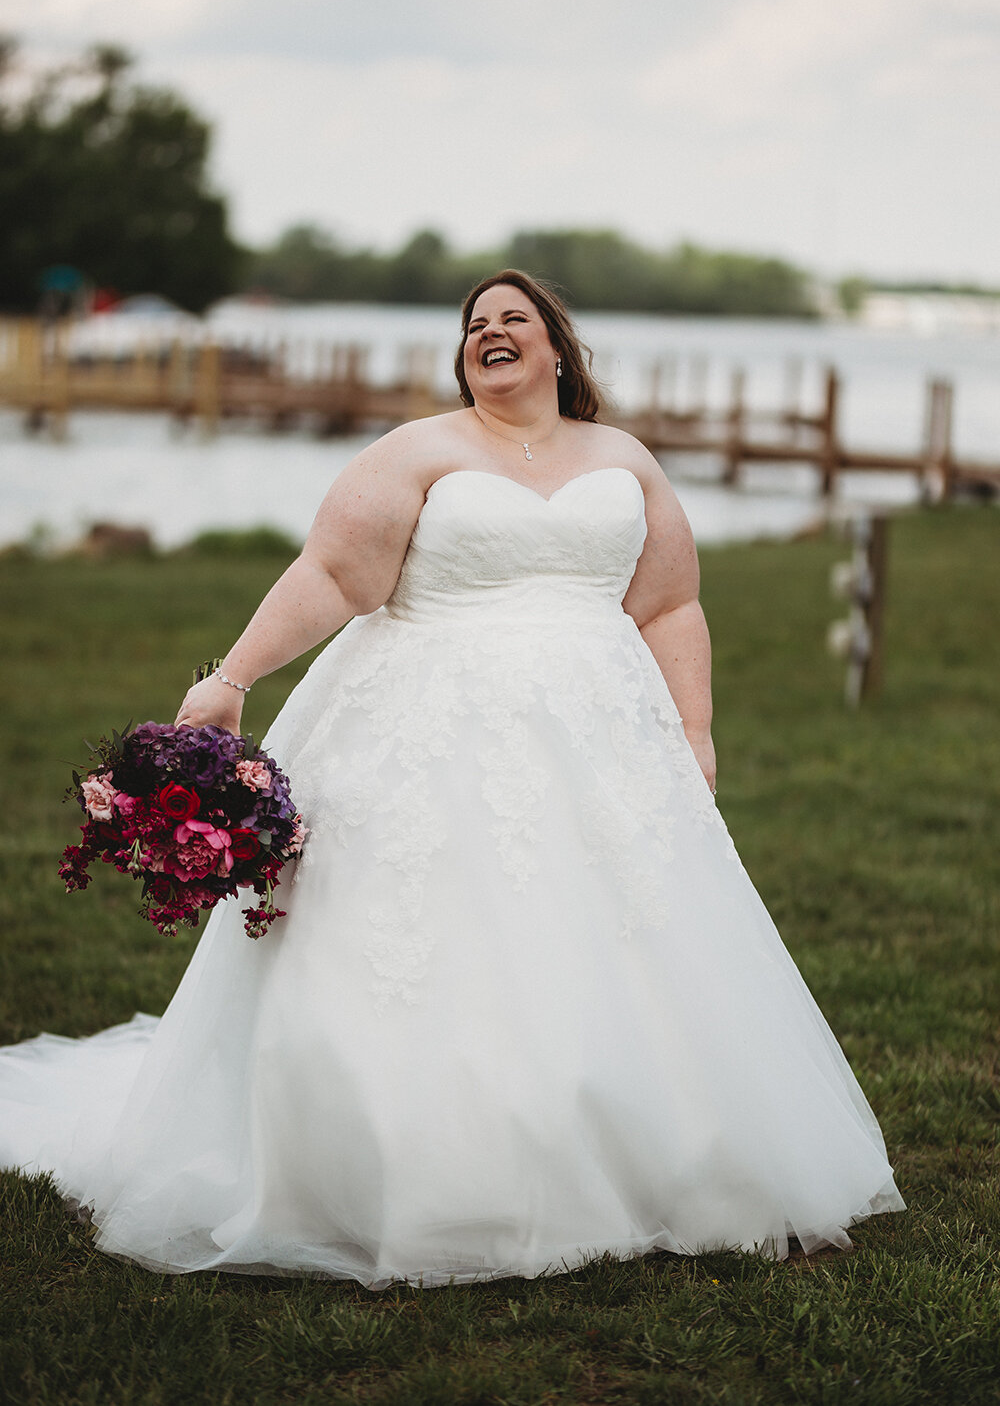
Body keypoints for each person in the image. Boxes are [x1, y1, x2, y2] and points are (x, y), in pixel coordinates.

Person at [0, 271, 903, 1287]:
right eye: (475, 324)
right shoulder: (420, 451)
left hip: (603, 743)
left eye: (514, 319)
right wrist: (230, 678)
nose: (491, 332)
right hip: (428, 731)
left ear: (558, 349)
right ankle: (411, 1165)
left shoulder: (623, 459)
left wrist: (693, 727)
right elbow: (334, 578)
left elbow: (669, 604)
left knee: (610, 939)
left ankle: (644, 1148)